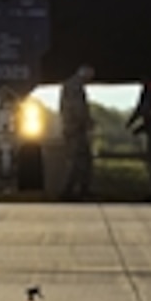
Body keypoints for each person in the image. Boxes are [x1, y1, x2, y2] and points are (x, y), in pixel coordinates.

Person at [58, 64, 95, 201]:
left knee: (80, 160)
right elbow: (78, 108)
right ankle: (72, 191)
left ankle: (78, 190)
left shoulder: (71, 85)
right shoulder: (75, 87)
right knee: (77, 160)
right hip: (76, 129)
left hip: (72, 127)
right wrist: (87, 122)